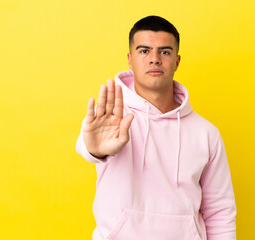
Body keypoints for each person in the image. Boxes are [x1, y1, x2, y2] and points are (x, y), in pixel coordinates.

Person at [76, 15, 236, 240]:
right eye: (144, 51)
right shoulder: (113, 117)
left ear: (177, 61)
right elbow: (87, 145)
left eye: (165, 51)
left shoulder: (206, 133)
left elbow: (220, 211)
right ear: (130, 59)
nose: (154, 59)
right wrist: (94, 148)